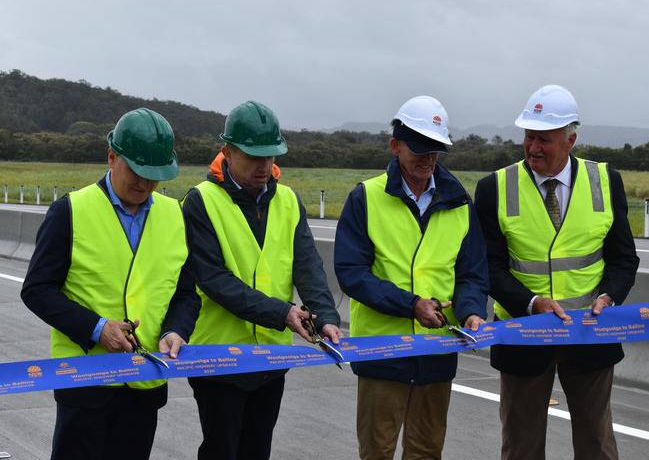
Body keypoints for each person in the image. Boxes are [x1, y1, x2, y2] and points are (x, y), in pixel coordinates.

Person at [21, 108, 201, 460]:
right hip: (85, 380)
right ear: (111, 156)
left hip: (144, 382)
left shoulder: (174, 215)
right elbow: (37, 290)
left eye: (155, 176)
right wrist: (98, 328)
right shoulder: (69, 211)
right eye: (136, 172)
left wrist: (176, 330)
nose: (145, 184)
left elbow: (185, 294)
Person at [474, 85, 640, 460]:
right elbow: (489, 266)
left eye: (543, 139)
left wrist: (608, 296)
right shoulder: (494, 188)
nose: (533, 147)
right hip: (523, 335)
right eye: (528, 136)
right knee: (521, 445)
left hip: (590, 334)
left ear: (570, 141)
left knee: (597, 443)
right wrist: (531, 303)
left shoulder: (604, 181)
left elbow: (624, 259)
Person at [182, 100, 343, 460]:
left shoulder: (287, 200)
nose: (265, 165)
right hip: (219, 359)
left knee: (257, 451)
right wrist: (283, 313)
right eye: (254, 156)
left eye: (271, 156)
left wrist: (326, 315)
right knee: (222, 451)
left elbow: (308, 265)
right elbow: (214, 279)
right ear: (227, 151)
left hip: (271, 358)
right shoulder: (200, 202)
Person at [335, 95, 489, 460]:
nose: (428, 158)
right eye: (419, 148)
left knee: (426, 451)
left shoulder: (459, 203)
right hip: (382, 354)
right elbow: (351, 273)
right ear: (395, 146)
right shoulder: (366, 198)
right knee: (377, 451)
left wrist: (469, 311)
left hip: (437, 353)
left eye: (435, 149)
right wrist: (411, 305)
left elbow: (472, 273)